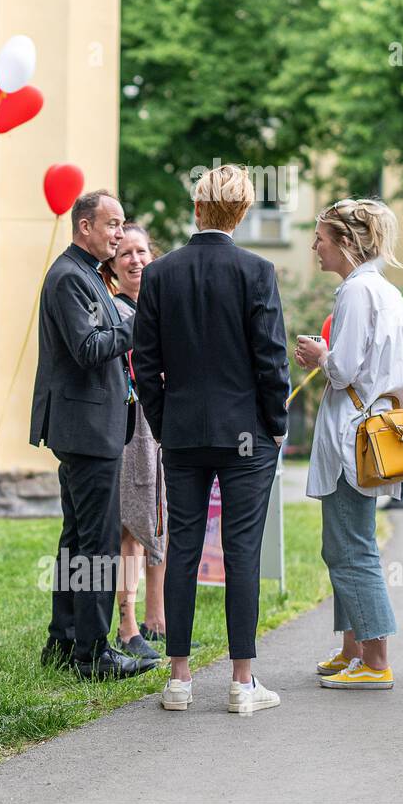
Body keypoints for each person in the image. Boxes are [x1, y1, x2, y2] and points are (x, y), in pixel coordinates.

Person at [132, 164, 290, 714]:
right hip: (247, 434)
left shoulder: (159, 274)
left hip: (182, 434)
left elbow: (144, 364)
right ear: (242, 214)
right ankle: (242, 683)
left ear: (197, 208)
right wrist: (277, 424)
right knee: (242, 552)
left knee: (184, 547)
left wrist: (164, 416)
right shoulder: (258, 270)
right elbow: (271, 358)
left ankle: (178, 679)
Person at [30, 190, 157, 681]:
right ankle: (93, 654)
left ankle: (63, 642)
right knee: (98, 544)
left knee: (76, 540)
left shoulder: (87, 276)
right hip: (85, 429)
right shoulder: (68, 278)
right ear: (85, 226)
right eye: (113, 224)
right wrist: (141, 321)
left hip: (92, 426)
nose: (120, 234)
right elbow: (88, 347)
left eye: (123, 224)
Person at [294, 198, 403, 690]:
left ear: (346, 243)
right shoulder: (387, 293)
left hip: (353, 438)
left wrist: (319, 353)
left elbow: (343, 370)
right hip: (376, 432)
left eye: (321, 239)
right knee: (343, 543)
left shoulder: (355, 292)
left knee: (351, 547)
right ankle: (353, 649)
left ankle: (375, 658)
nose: (314, 247)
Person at [101, 223, 164, 662]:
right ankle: (127, 624)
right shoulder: (115, 311)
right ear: (112, 265)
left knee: (160, 516)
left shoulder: (160, 309)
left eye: (142, 251)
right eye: (125, 253)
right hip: (131, 422)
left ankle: (155, 620)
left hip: (162, 423)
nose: (136, 259)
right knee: (129, 526)